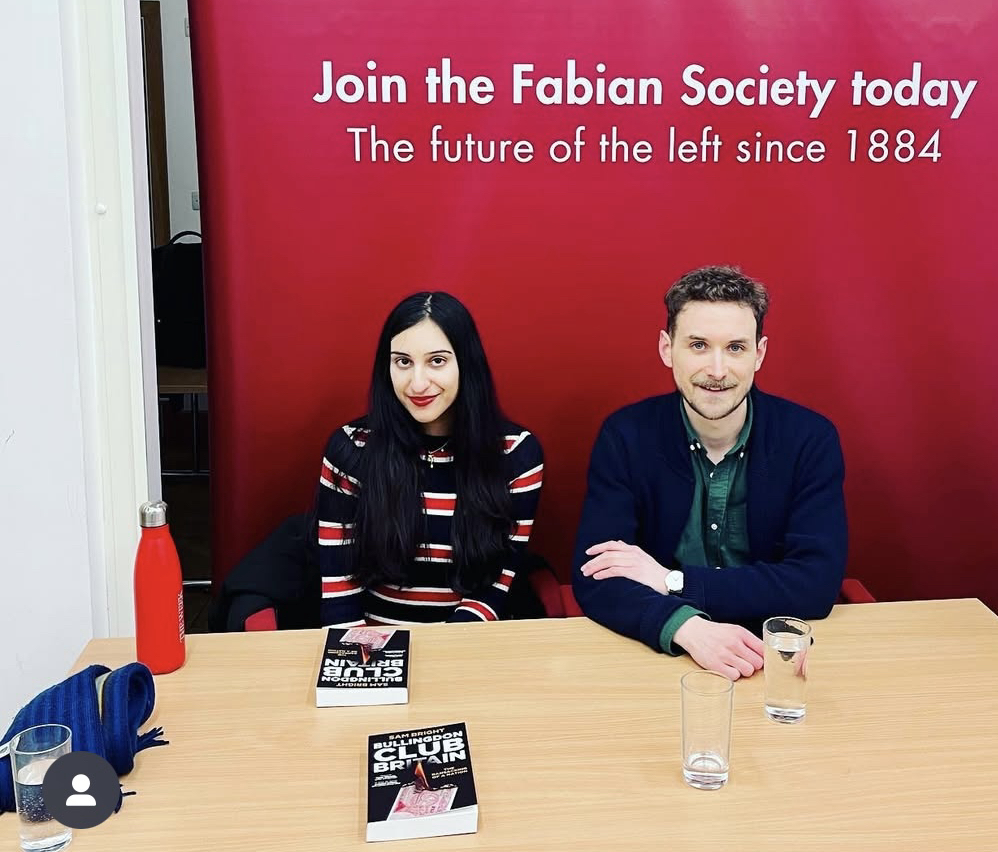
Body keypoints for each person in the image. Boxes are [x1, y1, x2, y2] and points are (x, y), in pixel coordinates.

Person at [572, 265, 846, 680]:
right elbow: (597, 575)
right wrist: (686, 627)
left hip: (776, 656)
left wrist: (671, 580)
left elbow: (815, 583)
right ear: (667, 349)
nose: (717, 371)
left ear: (759, 354)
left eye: (735, 348)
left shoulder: (810, 439)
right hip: (660, 655)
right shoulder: (625, 436)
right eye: (698, 345)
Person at [317, 291, 544, 626]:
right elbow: (340, 591)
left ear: (466, 364)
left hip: (470, 640)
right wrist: (365, 653)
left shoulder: (516, 453)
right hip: (374, 642)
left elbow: (497, 585)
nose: (418, 383)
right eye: (403, 362)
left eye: (437, 361)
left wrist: (446, 648)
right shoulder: (351, 448)